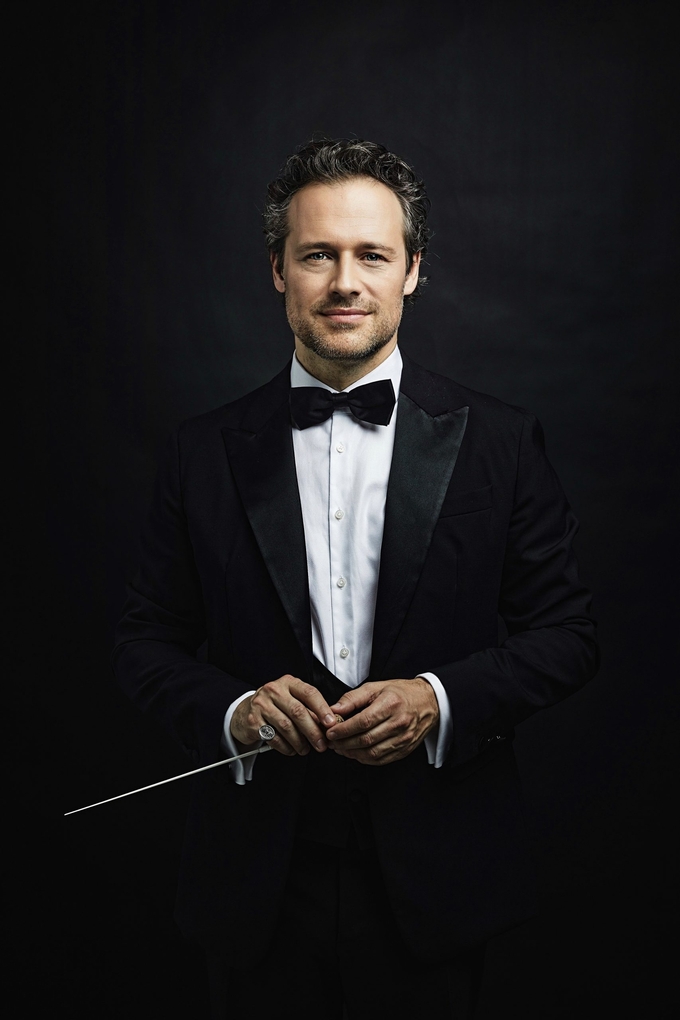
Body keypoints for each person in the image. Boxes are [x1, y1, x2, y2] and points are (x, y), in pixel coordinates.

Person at [113, 138, 599, 1019]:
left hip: (440, 883)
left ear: (412, 270)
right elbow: (145, 640)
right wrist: (235, 711)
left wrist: (437, 699)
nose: (345, 282)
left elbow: (567, 635)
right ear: (278, 270)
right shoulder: (198, 452)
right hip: (255, 885)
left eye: (372, 254)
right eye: (317, 255)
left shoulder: (501, 441)